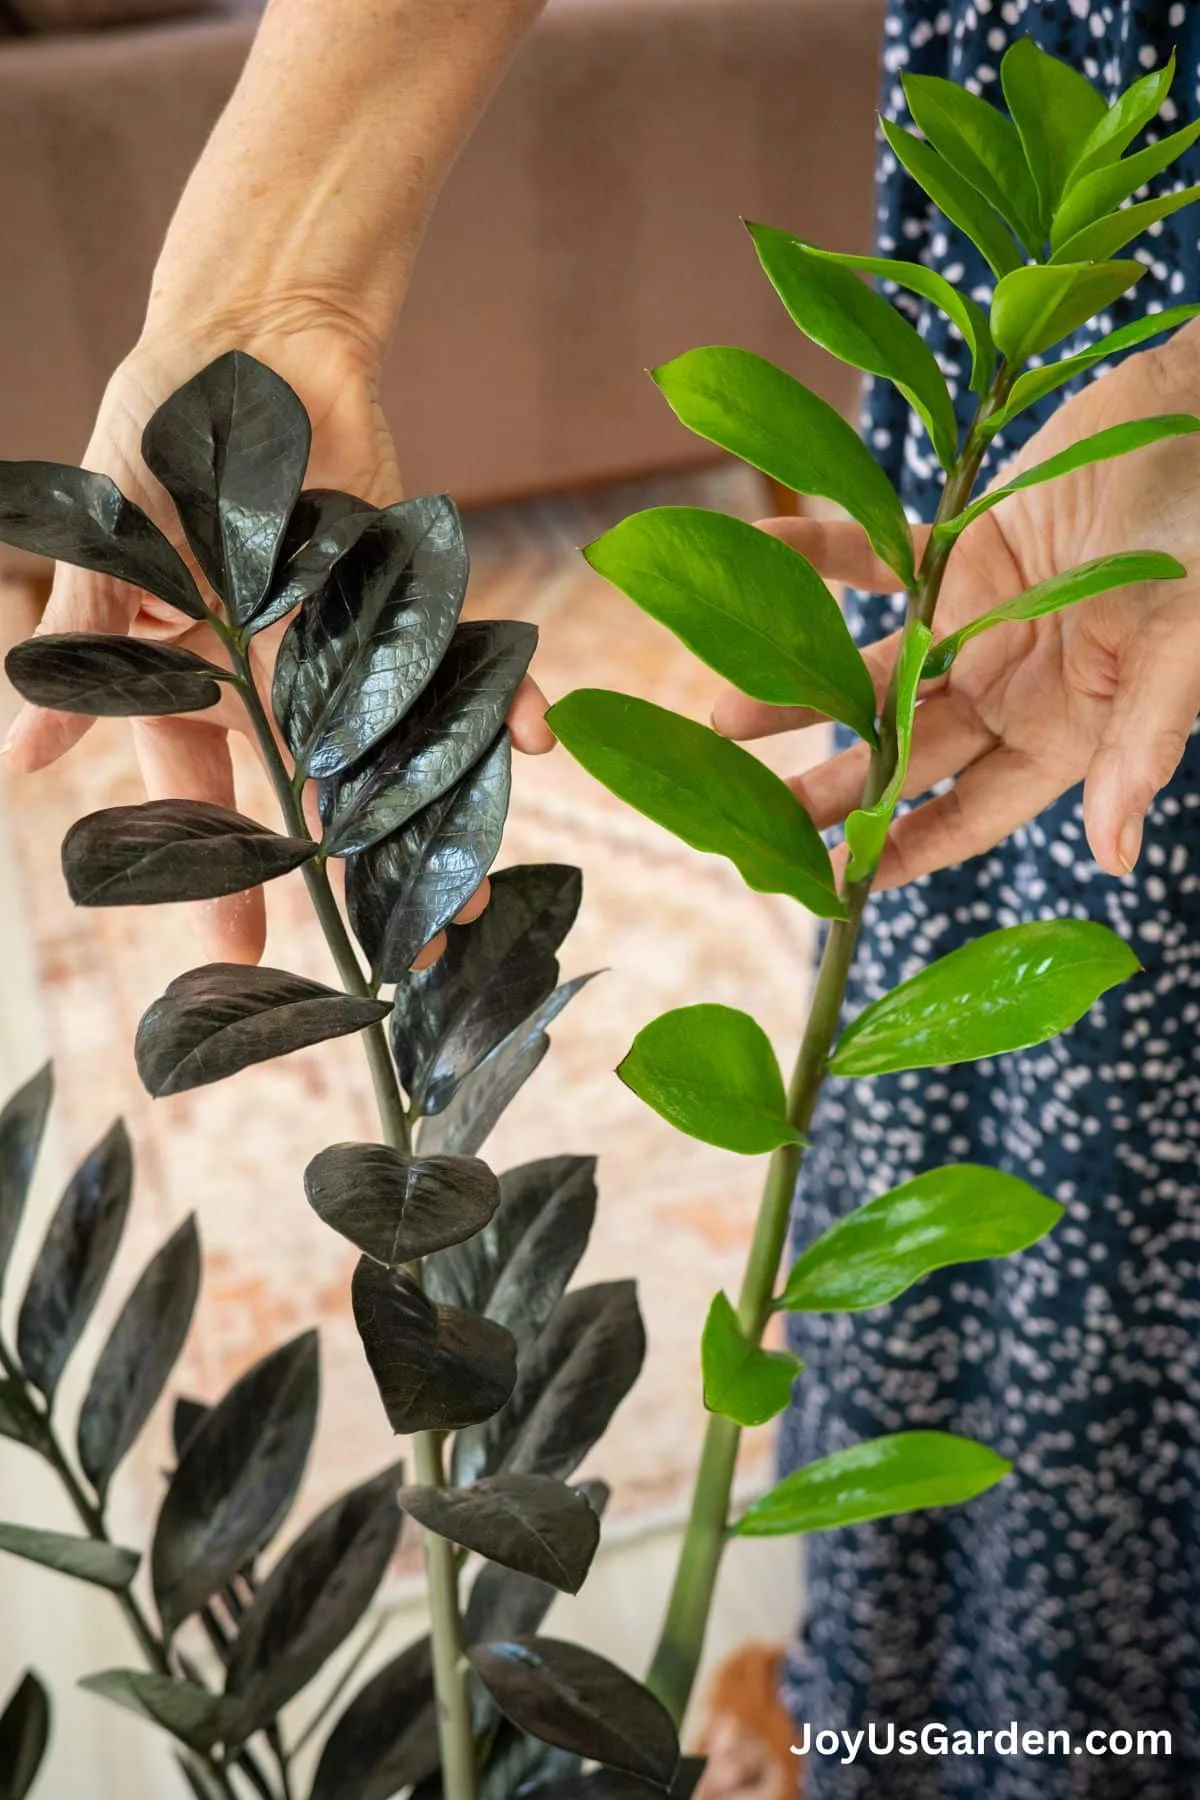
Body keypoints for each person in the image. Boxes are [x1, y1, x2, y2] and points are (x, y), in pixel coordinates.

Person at [5, 2, 1200, 1795]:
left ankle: (1054, 1736)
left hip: (1127, 307)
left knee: (1116, 1182)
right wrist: (269, 276)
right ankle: (918, 1705)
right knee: (927, 1026)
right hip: (1037, 238)